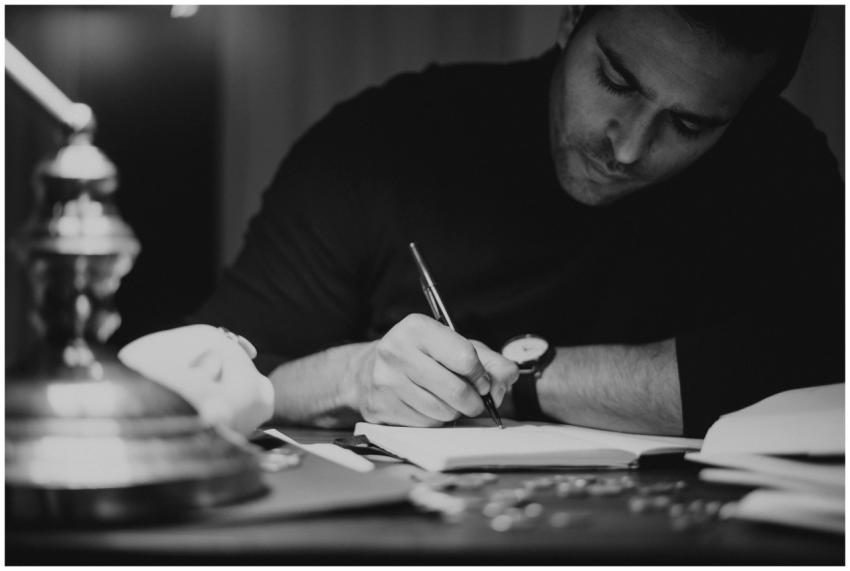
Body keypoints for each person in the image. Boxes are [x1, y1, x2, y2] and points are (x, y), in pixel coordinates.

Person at [123, 6, 842, 439]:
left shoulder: (782, 172)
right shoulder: (388, 142)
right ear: (570, 19)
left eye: (688, 123)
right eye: (617, 81)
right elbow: (229, 372)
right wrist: (356, 373)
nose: (627, 148)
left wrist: (523, 381)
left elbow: (811, 366)